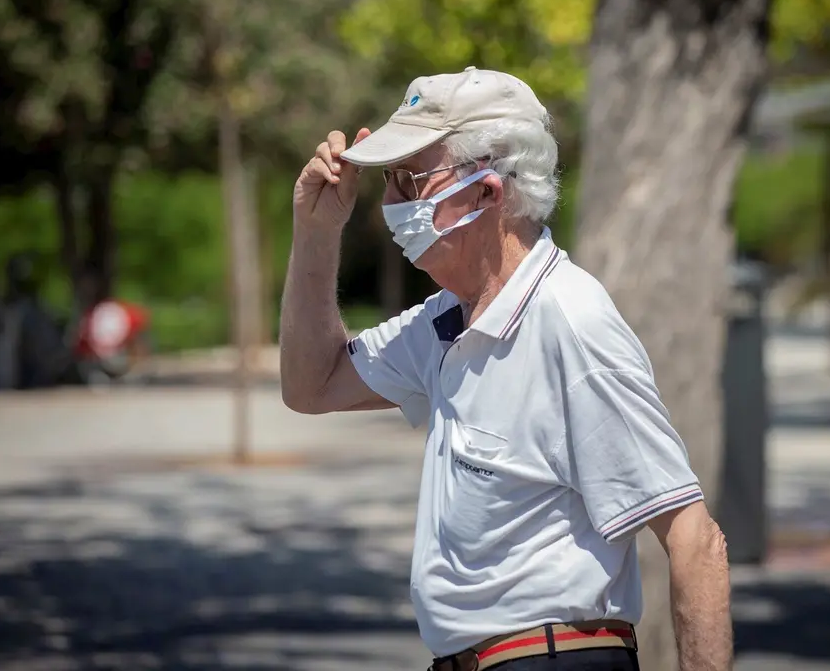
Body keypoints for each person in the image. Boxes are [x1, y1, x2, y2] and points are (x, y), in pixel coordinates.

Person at [280, 67, 731, 671]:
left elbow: (695, 541)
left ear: (488, 192)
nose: (391, 203)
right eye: (389, 179)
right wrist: (315, 232)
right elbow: (312, 385)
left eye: (410, 179)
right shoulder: (448, 317)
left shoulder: (568, 320)